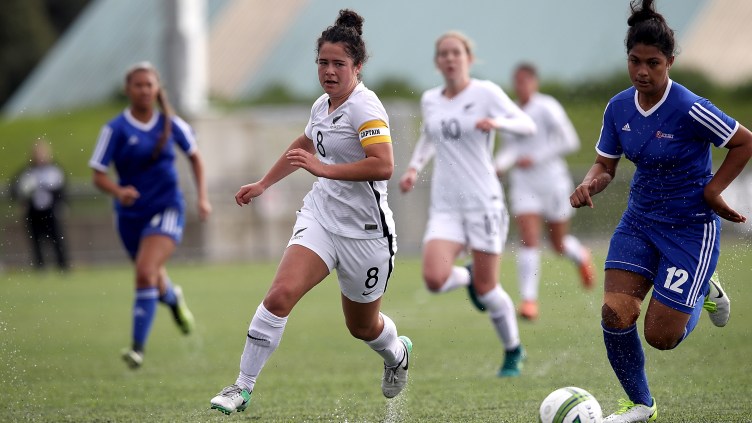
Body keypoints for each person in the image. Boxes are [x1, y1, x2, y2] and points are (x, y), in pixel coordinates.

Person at [209, 10, 411, 415]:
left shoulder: (366, 107)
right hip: (320, 218)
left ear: (357, 66)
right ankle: (241, 387)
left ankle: (397, 354)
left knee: (362, 327)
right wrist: (264, 183)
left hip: (366, 234)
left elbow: (383, 165)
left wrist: (324, 169)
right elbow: (303, 144)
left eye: (339, 64)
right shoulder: (322, 105)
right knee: (279, 295)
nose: (329, 71)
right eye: (323, 62)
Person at [569, 1, 752, 421]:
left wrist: (713, 191)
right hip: (639, 222)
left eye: (653, 63)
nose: (642, 71)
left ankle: (702, 288)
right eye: (635, 61)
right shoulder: (618, 108)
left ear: (669, 62)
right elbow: (605, 166)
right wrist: (590, 182)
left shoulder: (690, 107)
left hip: (690, 229)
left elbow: (744, 142)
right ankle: (641, 404)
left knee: (661, 337)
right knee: (615, 313)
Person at [399, 31, 535, 377]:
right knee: (434, 279)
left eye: (456, 52)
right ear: (437, 62)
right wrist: (413, 168)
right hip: (445, 206)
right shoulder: (431, 99)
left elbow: (527, 125)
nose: (450, 58)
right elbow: (429, 135)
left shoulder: (486, 93)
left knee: (488, 290)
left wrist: (497, 122)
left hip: (483, 203)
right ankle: (467, 276)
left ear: (468, 58)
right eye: (443, 53)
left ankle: (513, 350)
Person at [89, 62, 212, 369]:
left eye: (149, 85)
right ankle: (173, 299)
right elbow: (98, 175)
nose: (144, 90)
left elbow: (196, 158)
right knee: (152, 277)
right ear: (127, 89)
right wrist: (118, 191)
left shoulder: (171, 124)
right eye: (138, 85)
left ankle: (137, 349)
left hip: (167, 208)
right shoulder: (115, 129)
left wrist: (202, 198)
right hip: (130, 217)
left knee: (145, 272)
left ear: (157, 89)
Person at [493, 63, 595, 321]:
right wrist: (498, 166)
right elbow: (510, 149)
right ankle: (529, 301)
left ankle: (580, 255)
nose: (521, 86)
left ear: (534, 83)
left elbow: (570, 141)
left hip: (552, 182)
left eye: (525, 80)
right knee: (529, 238)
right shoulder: (510, 112)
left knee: (558, 244)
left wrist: (537, 157)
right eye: (517, 81)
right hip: (523, 184)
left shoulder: (547, 106)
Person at [11, 142, 70, 271]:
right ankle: (40, 267)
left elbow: (62, 190)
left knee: (57, 239)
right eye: (38, 154)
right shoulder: (27, 172)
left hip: (51, 211)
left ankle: (62, 266)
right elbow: (15, 189)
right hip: (33, 212)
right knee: (35, 240)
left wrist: (62, 204)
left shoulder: (54, 170)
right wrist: (22, 200)